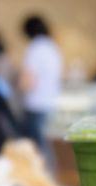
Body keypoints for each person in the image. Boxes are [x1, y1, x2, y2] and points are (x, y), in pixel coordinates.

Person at [19, 16, 62, 148]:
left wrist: (19, 86)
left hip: (35, 105)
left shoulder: (35, 48)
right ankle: (50, 168)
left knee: (36, 148)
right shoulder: (53, 47)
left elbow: (28, 81)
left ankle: (43, 169)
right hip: (51, 103)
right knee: (44, 145)